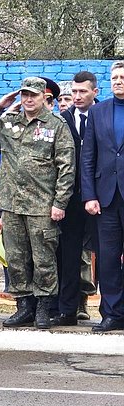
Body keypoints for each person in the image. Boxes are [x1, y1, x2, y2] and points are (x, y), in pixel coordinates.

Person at [0, 77, 75, 329]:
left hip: (42, 204)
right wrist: (0, 105)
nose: (28, 100)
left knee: (43, 259)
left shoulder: (56, 125)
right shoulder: (8, 122)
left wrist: (60, 202)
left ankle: (43, 307)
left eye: (33, 95)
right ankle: (23, 306)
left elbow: (67, 167)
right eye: (24, 95)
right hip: (11, 204)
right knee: (16, 257)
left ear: (44, 98)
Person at [52, 71, 99, 326]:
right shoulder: (62, 119)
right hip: (69, 199)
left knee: (107, 253)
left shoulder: (103, 115)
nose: (77, 97)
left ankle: (113, 312)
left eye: (83, 92)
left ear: (95, 92)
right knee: (68, 255)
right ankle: (66, 310)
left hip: (100, 197)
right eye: (74, 92)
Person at [81, 61, 124, 332]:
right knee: (108, 258)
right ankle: (111, 312)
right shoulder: (98, 111)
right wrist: (89, 195)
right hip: (106, 197)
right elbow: (88, 157)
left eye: (122, 77)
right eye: (115, 77)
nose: (118, 81)